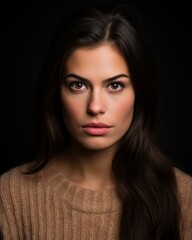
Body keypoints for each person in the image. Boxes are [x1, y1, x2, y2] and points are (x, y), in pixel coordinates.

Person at [0, 4, 192, 240]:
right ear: (56, 92)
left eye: (115, 85)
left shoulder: (183, 197)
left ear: (138, 94)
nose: (95, 107)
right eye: (78, 85)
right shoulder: (10, 195)